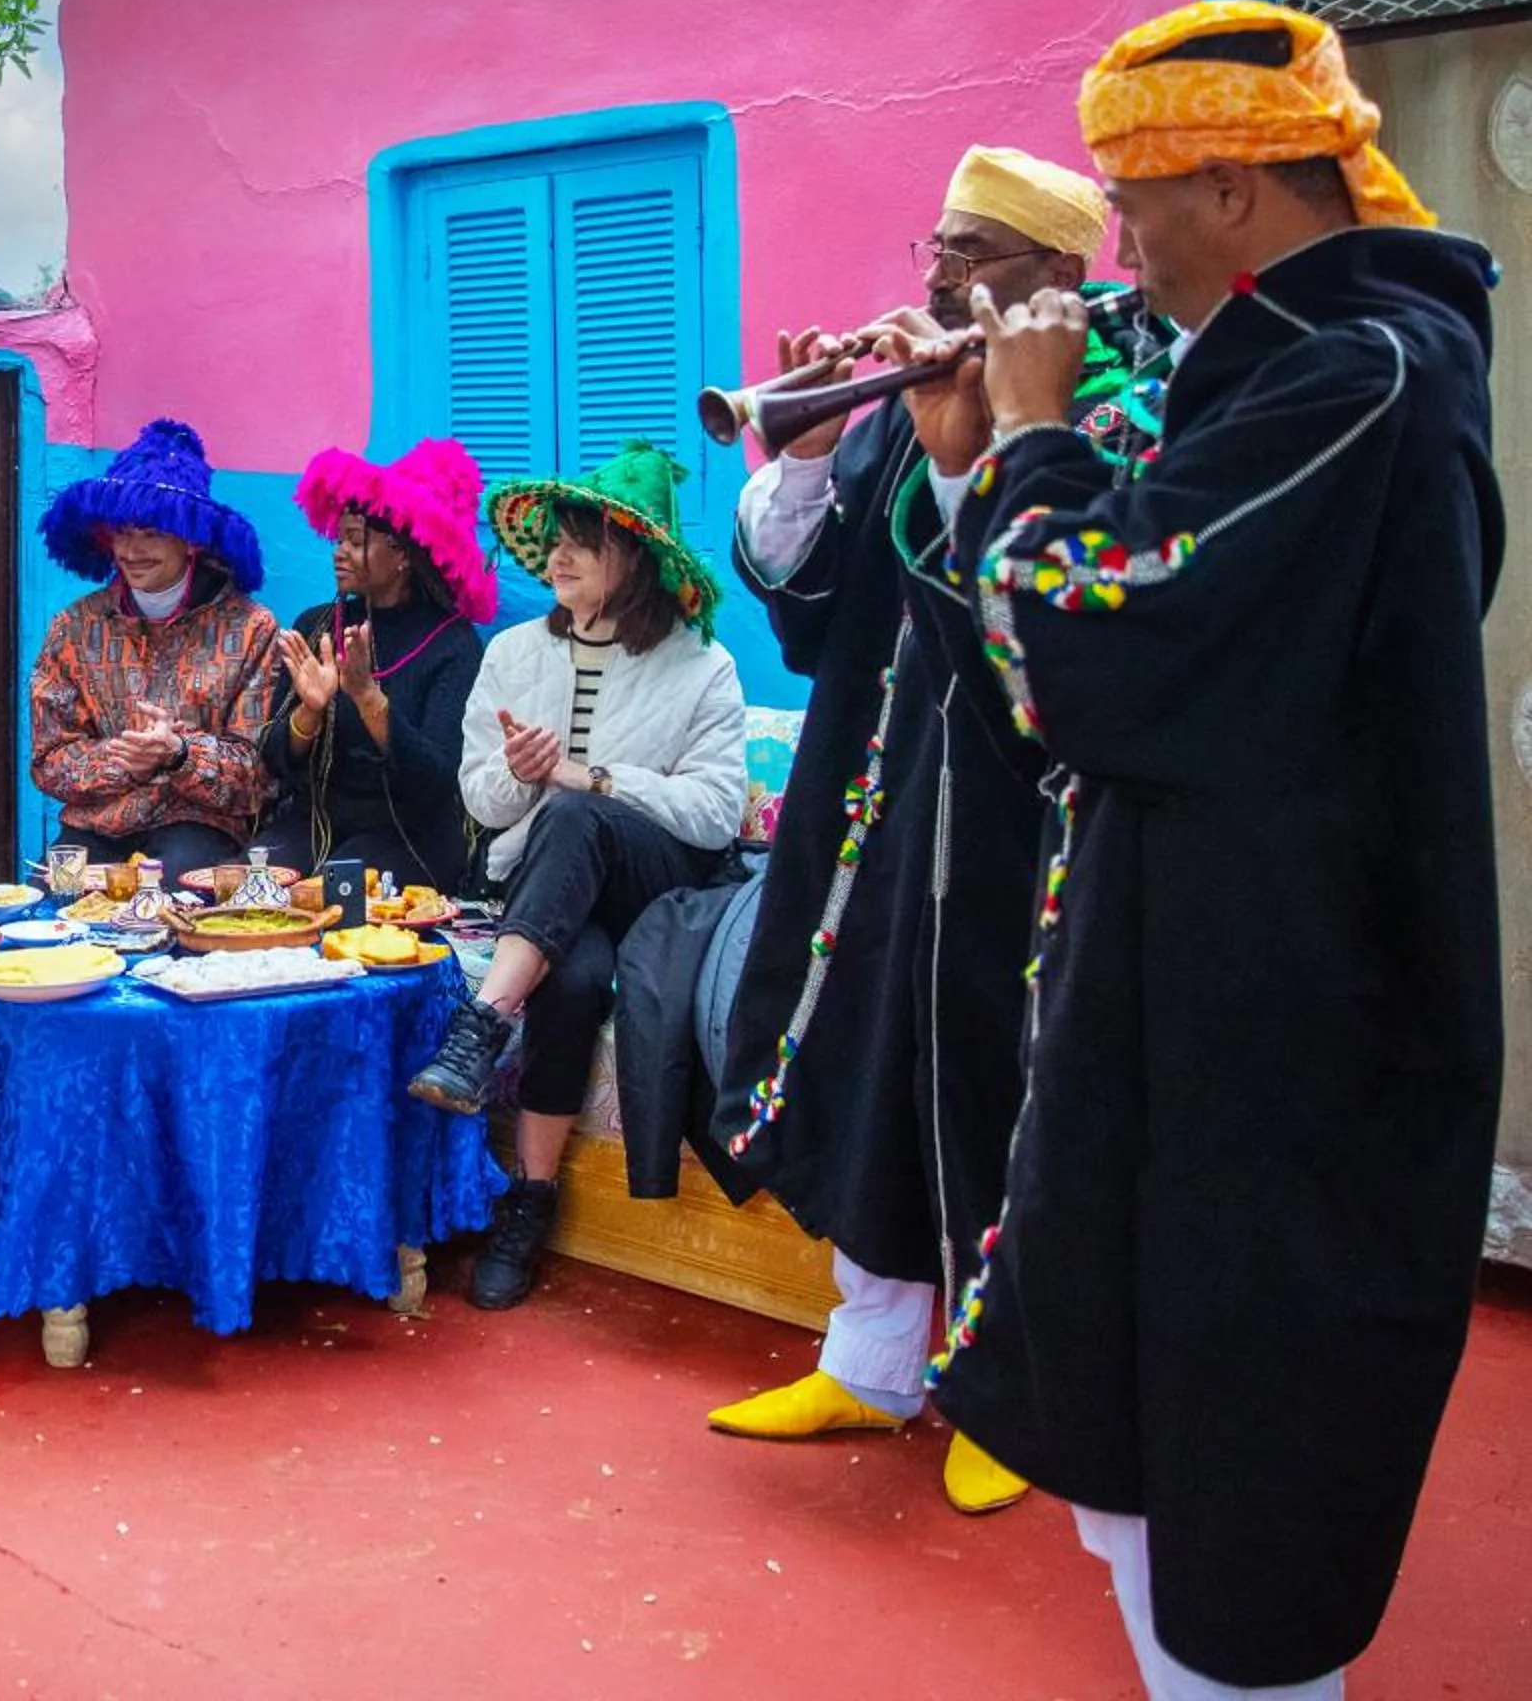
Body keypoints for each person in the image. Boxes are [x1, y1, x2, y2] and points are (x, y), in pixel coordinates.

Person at [930, 1, 1502, 1699]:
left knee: (1243, 1469)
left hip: (1285, 1028)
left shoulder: (1364, 374)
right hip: (1182, 1003)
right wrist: (983, 466)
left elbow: (1107, 646)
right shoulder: (1272, 377)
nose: (1116, 245)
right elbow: (1050, 677)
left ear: (1239, 192)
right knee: (1144, 1441)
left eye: (1132, 201)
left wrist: (1036, 438)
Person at [702, 146, 1168, 1516]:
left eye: (973, 256)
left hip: (1025, 827)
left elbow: (1069, 633)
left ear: (1058, 278)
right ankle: (874, 1359)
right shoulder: (907, 400)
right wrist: (799, 458)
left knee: (1001, 1089)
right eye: (938, 249)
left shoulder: (1109, 409)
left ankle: (1008, 1390)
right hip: (878, 808)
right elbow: (808, 608)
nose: (939, 276)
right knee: (854, 1058)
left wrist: (983, 458)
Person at [419, 443, 746, 1311]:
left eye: (583, 543)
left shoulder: (700, 665)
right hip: (549, 888)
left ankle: (481, 1022)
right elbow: (483, 803)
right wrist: (527, 773)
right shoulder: (515, 654)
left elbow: (714, 813)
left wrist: (589, 779)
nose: (557, 559)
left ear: (634, 559)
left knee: (574, 814)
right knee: (575, 981)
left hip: (656, 883)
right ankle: (531, 1203)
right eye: (554, 542)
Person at [30, 418, 281, 883]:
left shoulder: (251, 629)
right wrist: (123, 759)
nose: (132, 550)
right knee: (57, 902)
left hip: (198, 824)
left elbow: (258, 779)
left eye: (151, 533)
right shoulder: (74, 627)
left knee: (171, 899)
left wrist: (179, 753)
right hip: (96, 821)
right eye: (122, 533)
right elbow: (49, 762)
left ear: (190, 539)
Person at [259, 437, 494, 889]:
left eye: (355, 540)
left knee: (335, 890)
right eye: (338, 538)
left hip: (410, 834)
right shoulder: (318, 624)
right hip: (317, 822)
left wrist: (368, 699)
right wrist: (308, 712)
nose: (338, 552)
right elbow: (273, 760)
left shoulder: (452, 644)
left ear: (403, 552)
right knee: (250, 881)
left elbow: (437, 781)